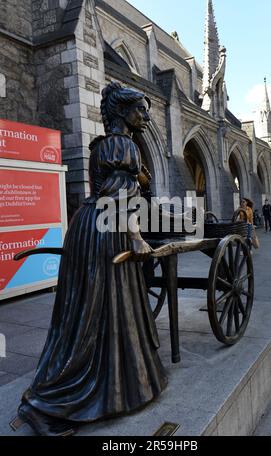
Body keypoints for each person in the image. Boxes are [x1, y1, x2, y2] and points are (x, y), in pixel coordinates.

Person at [14, 82, 168, 436]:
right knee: (98, 312)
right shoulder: (123, 145)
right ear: (122, 112)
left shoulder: (103, 145)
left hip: (88, 227)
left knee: (85, 312)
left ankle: (56, 392)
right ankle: (56, 402)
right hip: (107, 231)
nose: (144, 116)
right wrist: (136, 237)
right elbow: (118, 196)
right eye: (140, 110)